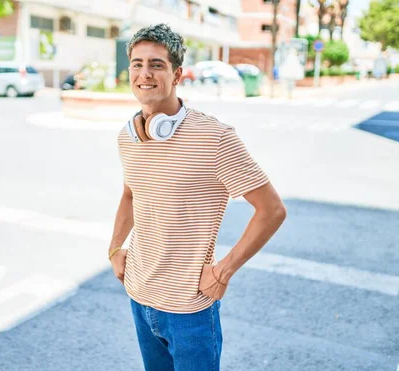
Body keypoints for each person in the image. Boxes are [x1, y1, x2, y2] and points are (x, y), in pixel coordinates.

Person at [108, 24, 287, 371]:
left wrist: (224, 271)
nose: (144, 74)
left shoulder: (214, 137)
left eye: (156, 65)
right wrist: (115, 248)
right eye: (137, 64)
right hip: (139, 297)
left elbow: (272, 210)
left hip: (189, 310)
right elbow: (131, 195)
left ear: (176, 74)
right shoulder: (128, 137)